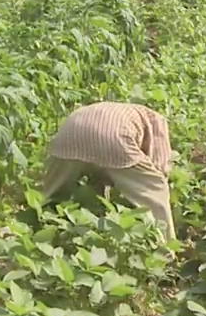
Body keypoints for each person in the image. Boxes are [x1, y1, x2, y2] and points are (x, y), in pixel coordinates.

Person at [41, 102, 176, 240]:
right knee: (155, 192)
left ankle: (42, 229)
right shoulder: (158, 121)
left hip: (69, 134)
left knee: (53, 194)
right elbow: (160, 166)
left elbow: (100, 165)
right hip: (114, 137)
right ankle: (165, 249)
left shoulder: (124, 111)